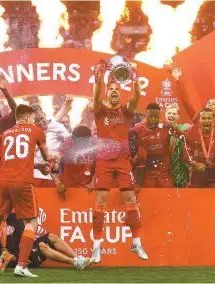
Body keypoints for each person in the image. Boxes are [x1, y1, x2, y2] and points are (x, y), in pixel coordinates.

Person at [0, 105, 58, 278]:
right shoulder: (36, 130)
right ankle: (22, 266)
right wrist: (54, 161)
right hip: (22, 182)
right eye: (33, 118)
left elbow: (15, 159)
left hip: (3, 181)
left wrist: (38, 165)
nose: (34, 120)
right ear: (26, 117)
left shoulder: (7, 133)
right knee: (31, 223)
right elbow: (48, 158)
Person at [91, 59, 147, 263]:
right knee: (100, 203)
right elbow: (95, 96)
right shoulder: (100, 111)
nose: (114, 91)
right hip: (104, 163)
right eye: (111, 89)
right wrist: (98, 77)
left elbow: (137, 95)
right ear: (107, 93)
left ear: (120, 93)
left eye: (117, 89)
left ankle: (137, 243)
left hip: (123, 163)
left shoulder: (126, 111)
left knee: (131, 202)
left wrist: (134, 77)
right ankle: (96, 246)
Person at [0, 193, 94, 271]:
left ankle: (78, 258)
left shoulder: (14, 217)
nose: (4, 208)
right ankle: (73, 262)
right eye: (1, 206)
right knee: (42, 245)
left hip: (23, 252)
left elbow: (23, 237)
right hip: (12, 258)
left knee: (51, 237)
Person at [171, 66, 215, 131]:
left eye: (214, 104)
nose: (210, 105)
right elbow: (186, 102)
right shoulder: (198, 120)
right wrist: (177, 80)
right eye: (209, 103)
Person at [129, 103, 174, 188]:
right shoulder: (138, 130)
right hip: (147, 175)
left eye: (156, 117)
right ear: (146, 115)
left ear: (159, 116)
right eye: (150, 116)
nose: (153, 119)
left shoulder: (166, 128)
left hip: (164, 175)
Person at [184, 108, 215, 188]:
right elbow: (185, 154)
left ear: (214, 119)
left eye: (209, 118)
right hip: (195, 181)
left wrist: (209, 166)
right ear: (199, 120)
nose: (206, 121)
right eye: (203, 118)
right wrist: (194, 164)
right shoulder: (191, 132)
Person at [31, 103, 70, 188]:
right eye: (37, 120)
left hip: (52, 177)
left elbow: (70, 142)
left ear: (44, 114)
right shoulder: (31, 131)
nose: (40, 122)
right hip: (35, 177)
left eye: (41, 118)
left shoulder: (56, 126)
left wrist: (59, 156)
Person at [56, 125, 96, 200]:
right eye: (79, 143)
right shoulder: (66, 145)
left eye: (85, 143)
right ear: (73, 140)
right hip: (68, 188)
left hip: (88, 187)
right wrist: (58, 183)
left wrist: (93, 181)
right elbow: (53, 162)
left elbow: (101, 164)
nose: (82, 146)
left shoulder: (95, 143)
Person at [163, 104, 191, 188]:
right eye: (169, 113)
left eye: (174, 114)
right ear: (165, 115)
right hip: (164, 170)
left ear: (178, 116)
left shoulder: (185, 128)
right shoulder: (159, 129)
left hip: (180, 171)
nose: (171, 115)